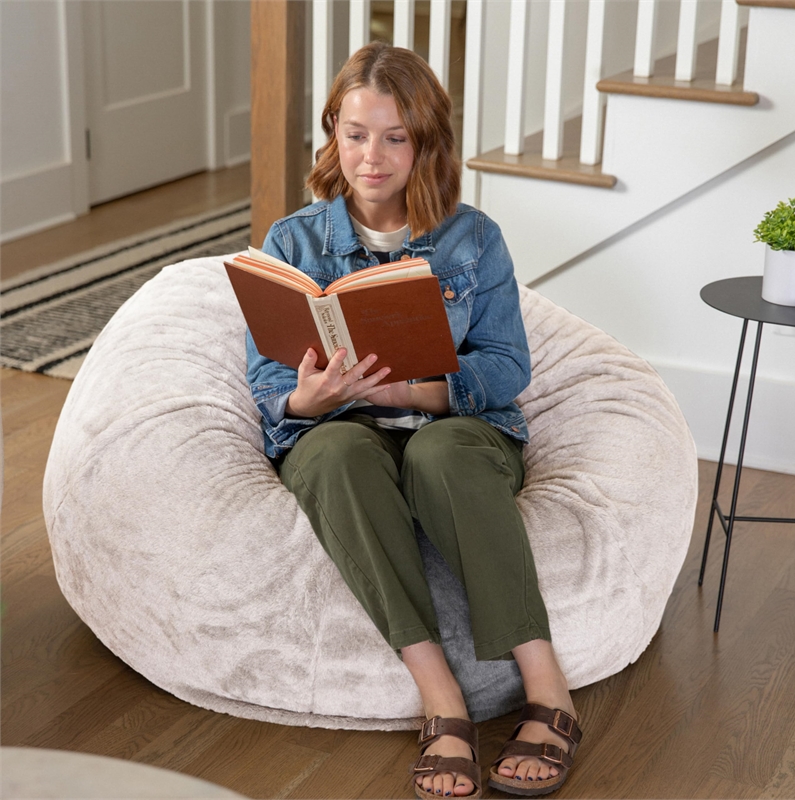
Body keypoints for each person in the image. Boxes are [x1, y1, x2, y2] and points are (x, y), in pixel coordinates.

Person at [246, 42, 581, 800]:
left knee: (443, 459)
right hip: (342, 430)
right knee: (332, 458)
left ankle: (548, 689)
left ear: (425, 141)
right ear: (334, 130)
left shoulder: (473, 239)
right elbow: (267, 381)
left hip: (453, 426)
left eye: (396, 137)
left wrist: (419, 393)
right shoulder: (293, 242)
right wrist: (310, 399)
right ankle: (441, 696)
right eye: (356, 133)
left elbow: (507, 365)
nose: (372, 157)